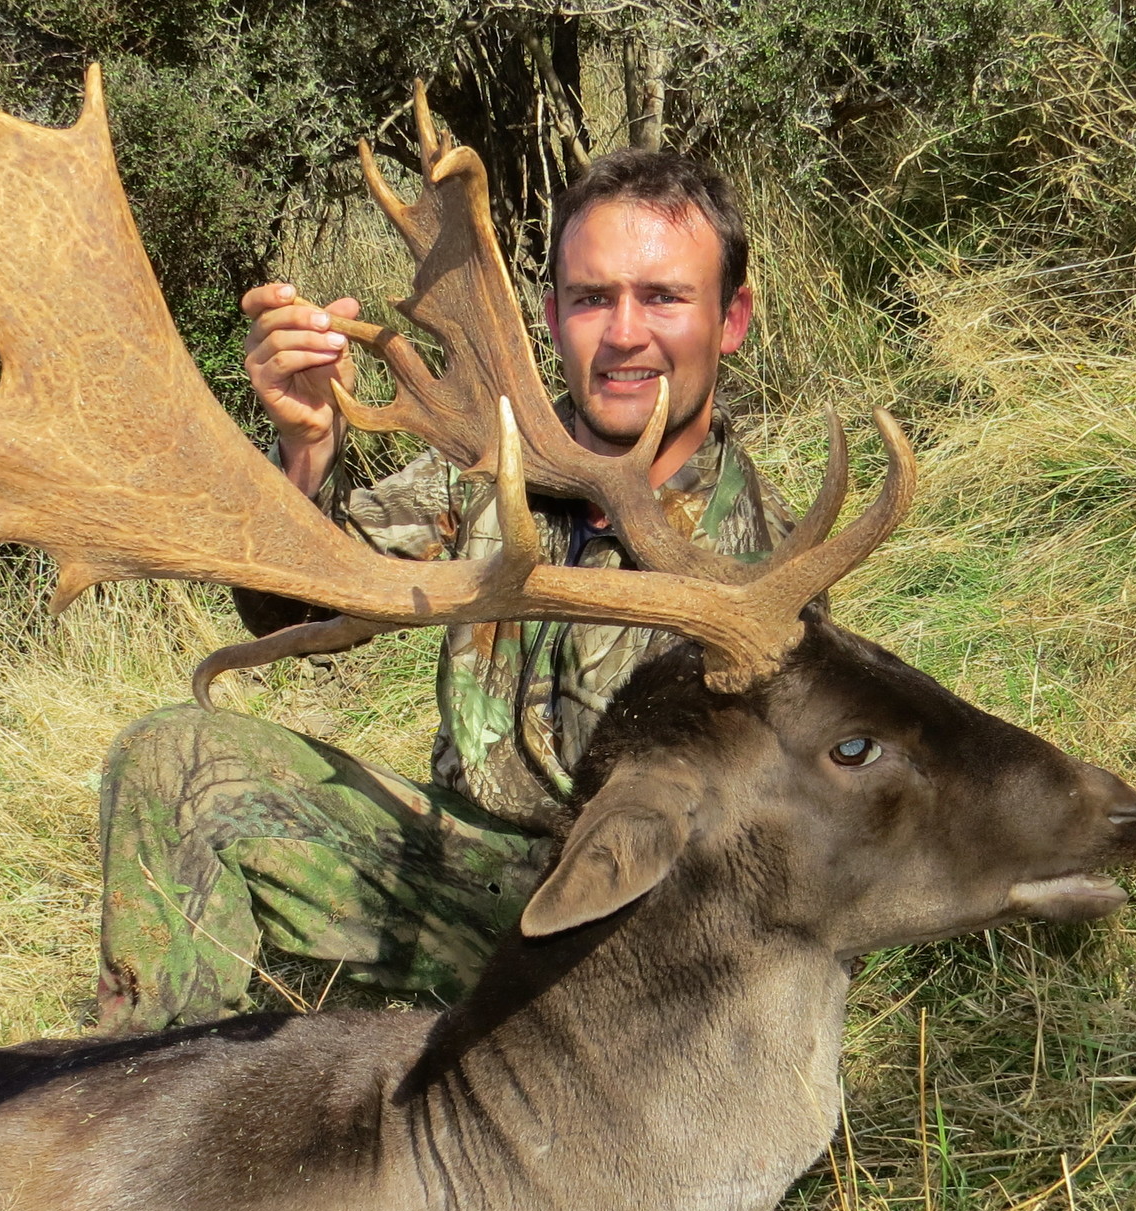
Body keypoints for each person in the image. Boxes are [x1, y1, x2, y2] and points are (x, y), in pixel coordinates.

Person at [95, 147, 787, 1034]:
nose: (622, 333)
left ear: (731, 320)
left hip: (632, 947)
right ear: (550, 316)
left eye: (662, 297)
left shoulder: (763, 564)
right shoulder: (492, 471)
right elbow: (294, 608)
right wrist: (306, 454)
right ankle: (144, 1090)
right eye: (590, 298)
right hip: (460, 882)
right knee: (169, 757)